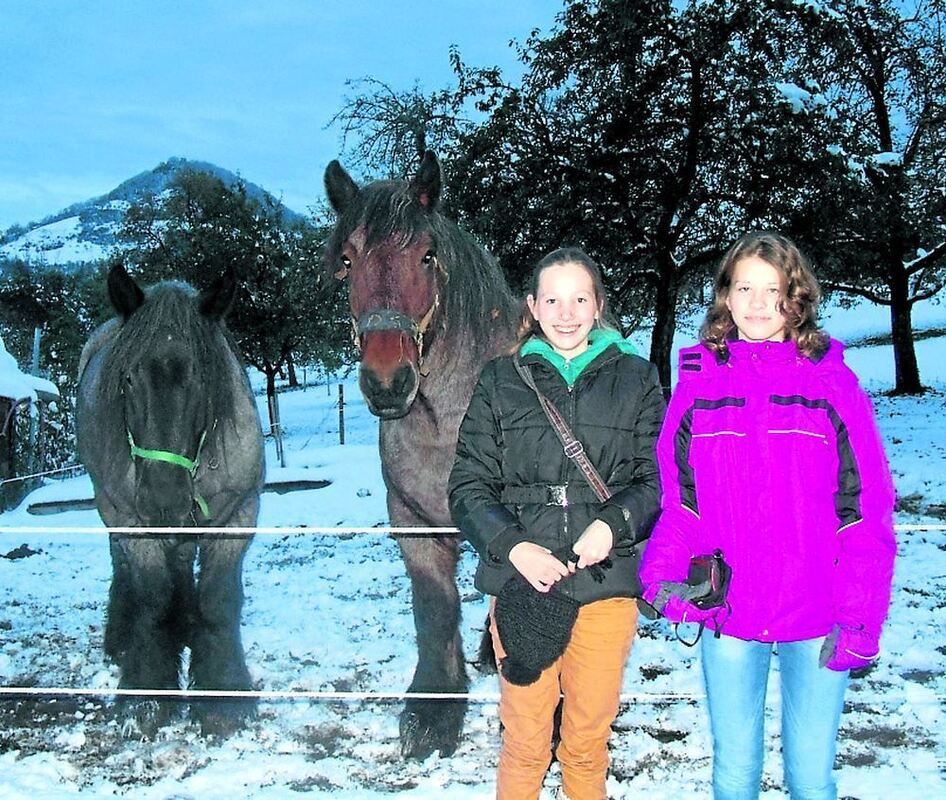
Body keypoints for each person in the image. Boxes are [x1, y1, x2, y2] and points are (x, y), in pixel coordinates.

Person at [639, 231, 897, 800]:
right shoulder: (698, 387)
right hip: (731, 610)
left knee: (811, 778)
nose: (757, 303)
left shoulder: (831, 385)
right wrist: (662, 574)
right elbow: (681, 502)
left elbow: (865, 511)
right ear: (725, 297)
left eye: (773, 290)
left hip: (817, 609)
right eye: (744, 288)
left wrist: (861, 616)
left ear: (795, 298)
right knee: (735, 773)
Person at [449, 247, 664, 800]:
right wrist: (513, 547)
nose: (566, 314)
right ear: (532, 305)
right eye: (552, 300)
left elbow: (657, 479)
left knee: (587, 742)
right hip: (523, 586)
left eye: (579, 299)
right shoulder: (500, 380)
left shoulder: (637, 378)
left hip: (605, 584)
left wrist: (613, 523)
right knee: (524, 741)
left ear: (597, 305)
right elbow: (467, 486)